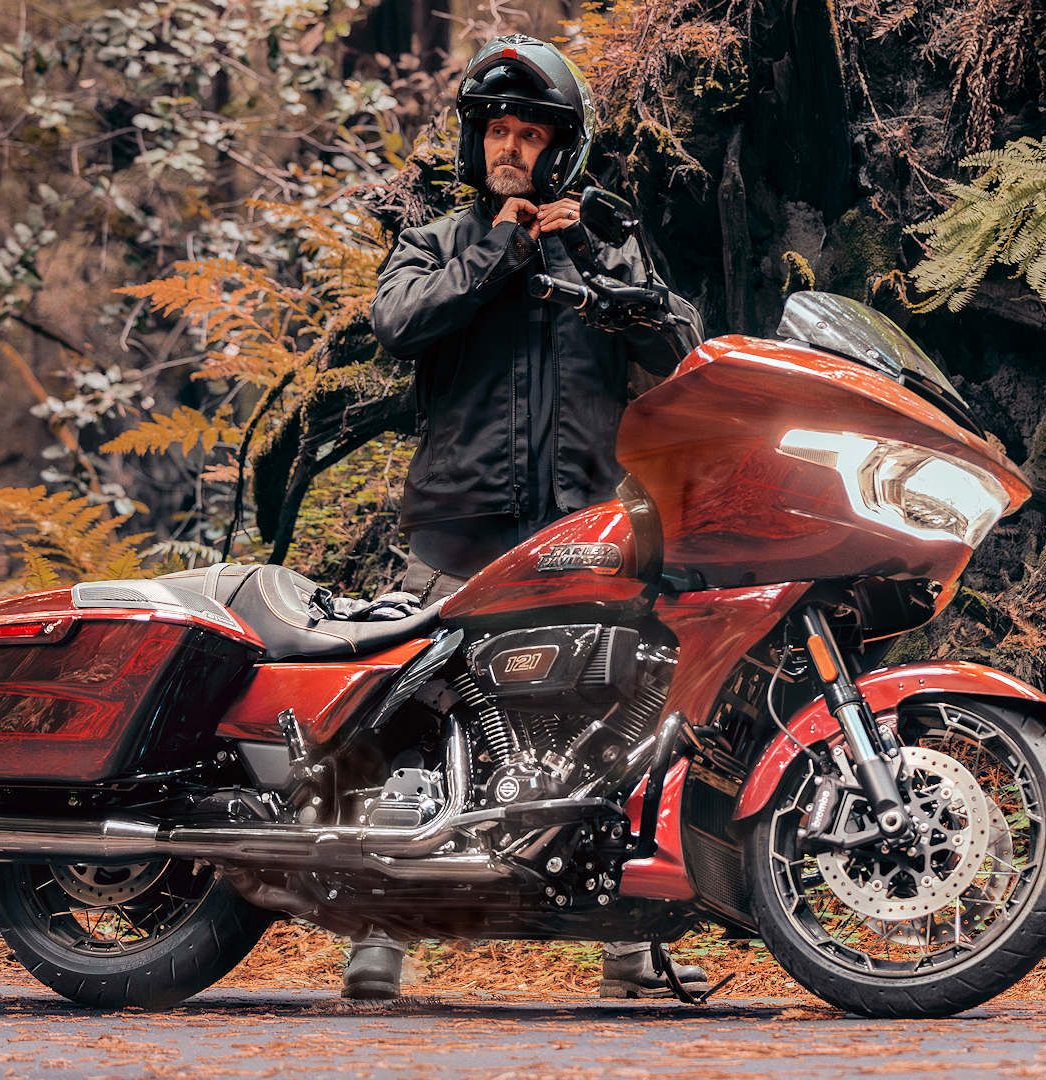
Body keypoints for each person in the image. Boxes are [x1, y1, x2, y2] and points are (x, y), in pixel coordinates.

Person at [352, 34, 708, 1002]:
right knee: (417, 728)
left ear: (566, 144)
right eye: (498, 131)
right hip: (454, 534)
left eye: (531, 132)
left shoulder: (610, 241)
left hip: (583, 532)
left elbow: (682, 347)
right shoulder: (439, 240)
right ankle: (382, 937)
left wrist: (586, 254)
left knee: (619, 726)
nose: (512, 147)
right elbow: (397, 322)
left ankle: (630, 942)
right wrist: (501, 248)